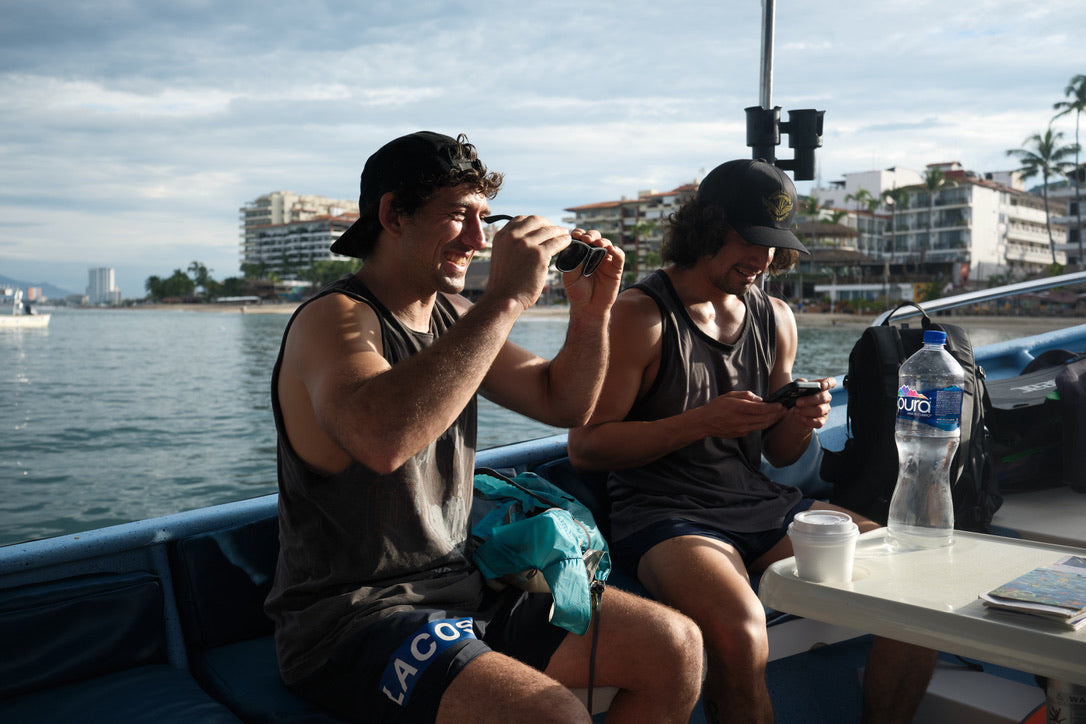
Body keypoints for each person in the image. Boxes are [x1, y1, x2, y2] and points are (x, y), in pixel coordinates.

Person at [264, 131, 703, 724]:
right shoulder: (333, 319)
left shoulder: (454, 315)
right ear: (393, 215)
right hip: (354, 619)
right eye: (457, 216)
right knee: (553, 716)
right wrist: (508, 298)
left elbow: (563, 402)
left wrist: (591, 312)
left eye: (483, 218)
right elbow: (382, 440)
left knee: (673, 649)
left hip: (462, 587)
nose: (478, 239)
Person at [567, 159, 938, 724]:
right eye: (748, 240)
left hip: (758, 502)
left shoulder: (776, 317)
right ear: (705, 230)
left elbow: (779, 455)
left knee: (918, 581)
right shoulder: (639, 318)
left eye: (773, 245)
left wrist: (798, 420)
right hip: (667, 515)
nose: (762, 261)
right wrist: (702, 422)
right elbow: (587, 448)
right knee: (742, 633)